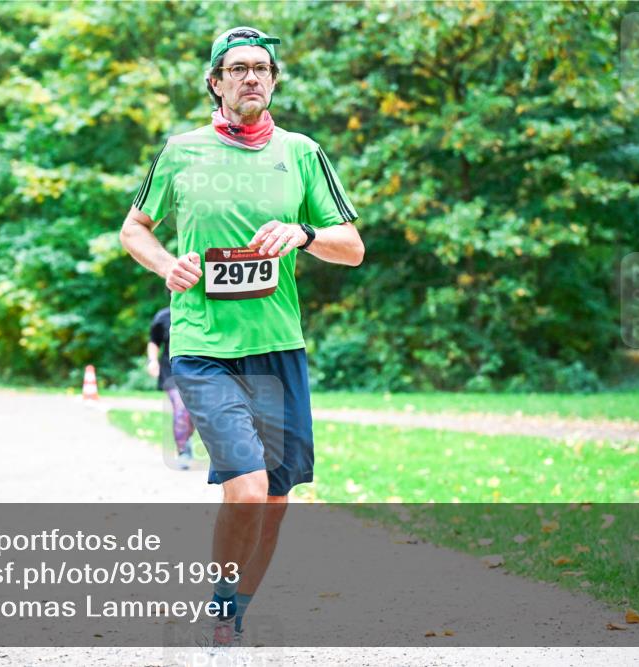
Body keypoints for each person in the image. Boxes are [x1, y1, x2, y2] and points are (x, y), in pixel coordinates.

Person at [119, 26, 365, 645]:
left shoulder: (303, 153)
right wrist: (164, 264)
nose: (250, 76)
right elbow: (134, 230)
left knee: (277, 499)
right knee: (249, 492)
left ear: (274, 81)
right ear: (215, 81)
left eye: (261, 67)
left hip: (277, 346)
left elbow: (354, 248)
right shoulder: (180, 152)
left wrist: (304, 235)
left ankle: (234, 605)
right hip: (203, 347)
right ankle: (223, 605)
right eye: (237, 68)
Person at [147, 306, 196, 469]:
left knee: (193, 413)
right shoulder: (163, 316)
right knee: (181, 408)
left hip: (198, 372)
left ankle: (185, 440)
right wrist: (152, 361)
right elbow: (154, 341)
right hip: (171, 370)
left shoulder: (203, 312)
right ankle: (183, 451)